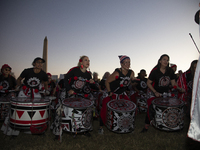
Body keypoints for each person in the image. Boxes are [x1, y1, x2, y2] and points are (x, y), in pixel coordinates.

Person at [51, 55, 95, 139]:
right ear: (81, 62)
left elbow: (88, 87)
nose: (88, 62)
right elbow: (65, 79)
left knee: (83, 111)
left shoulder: (88, 74)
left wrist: (92, 83)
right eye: (86, 60)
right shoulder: (74, 70)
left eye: (89, 60)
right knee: (60, 110)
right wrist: (69, 89)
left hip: (78, 95)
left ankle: (84, 130)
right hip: (68, 93)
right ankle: (57, 132)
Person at [141, 54, 185, 133]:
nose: (166, 61)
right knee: (151, 108)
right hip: (153, 91)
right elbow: (148, 83)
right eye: (164, 59)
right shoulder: (155, 71)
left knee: (167, 109)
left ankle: (167, 125)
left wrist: (179, 88)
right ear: (160, 61)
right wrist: (155, 92)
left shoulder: (170, 71)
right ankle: (146, 127)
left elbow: (173, 83)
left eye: (167, 60)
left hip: (165, 93)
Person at [99, 55, 136, 134]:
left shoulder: (131, 72)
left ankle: (128, 126)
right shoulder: (117, 72)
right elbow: (107, 82)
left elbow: (131, 84)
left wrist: (133, 80)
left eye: (129, 62)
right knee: (105, 109)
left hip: (121, 93)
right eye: (126, 62)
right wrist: (109, 92)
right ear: (121, 64)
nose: (128, 64)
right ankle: (101, 127)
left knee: (130, 108)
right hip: (111, 92)